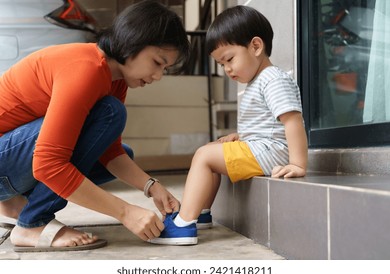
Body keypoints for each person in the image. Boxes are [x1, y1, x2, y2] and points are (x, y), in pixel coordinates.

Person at [0, 0, 190, 252]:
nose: (158, 76)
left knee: (122, 151)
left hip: (9, 161)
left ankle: (14, 203)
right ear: (132, 43)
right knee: (110, 113)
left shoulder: (115, 78)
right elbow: (48, 164)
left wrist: (152, 186)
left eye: (164, 68)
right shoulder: (86, 69)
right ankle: (32, 223)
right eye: (157, 62)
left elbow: (109, 151)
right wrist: (125, 212)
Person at [149, 5, 308, 245]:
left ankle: (183, 223)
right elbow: (266, 125)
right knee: (210, 155)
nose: (227, 69)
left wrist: (297, 163)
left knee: (204, 156)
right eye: (222, 64)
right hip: (263, 148)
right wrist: (240, 136)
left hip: (272, 153)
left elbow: (292, 121)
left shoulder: (272, 79)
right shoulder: (257, 81)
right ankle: (200, 214)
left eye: (229, 59)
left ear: (256, 46)